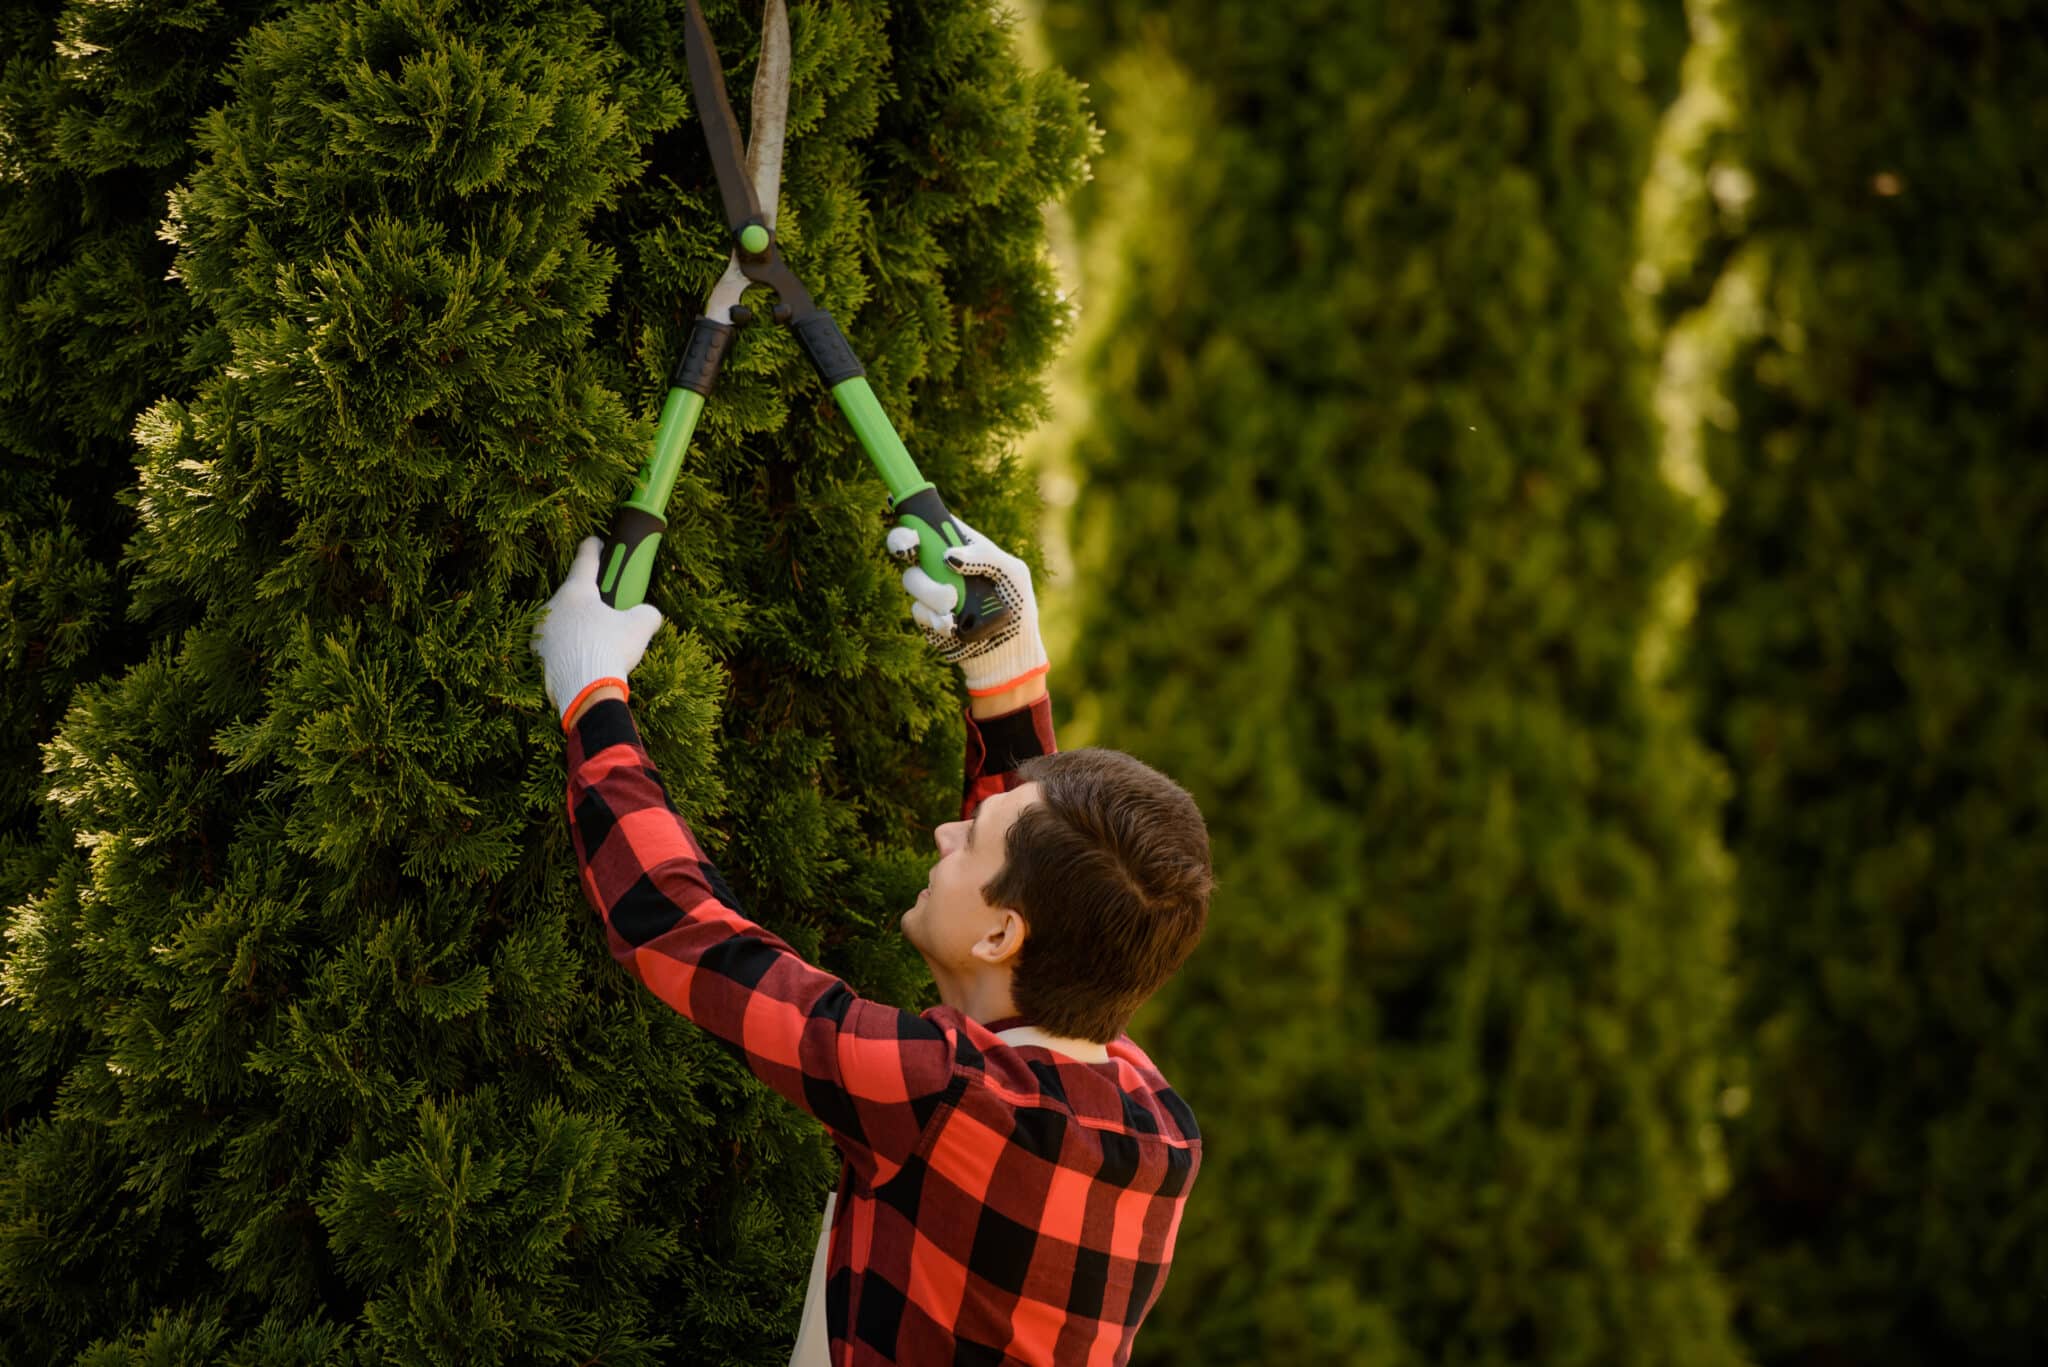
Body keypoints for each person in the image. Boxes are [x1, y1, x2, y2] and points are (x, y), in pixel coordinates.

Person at [531, 520, 1212, 1366]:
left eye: (971, 838)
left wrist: (591, 700)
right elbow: (1057, 894)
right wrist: (1005, 676)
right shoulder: (1155, 1122)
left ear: (1004, 934)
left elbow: (686, 933)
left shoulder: (946, 1097)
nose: (941, 831)